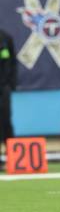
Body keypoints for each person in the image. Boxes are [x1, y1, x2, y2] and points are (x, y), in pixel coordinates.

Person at [0, 28, 16, 171]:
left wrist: (11, 85)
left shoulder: (5, 37)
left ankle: (13, 158)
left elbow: (13, 62)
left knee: (6, 123)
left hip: (3, 87)